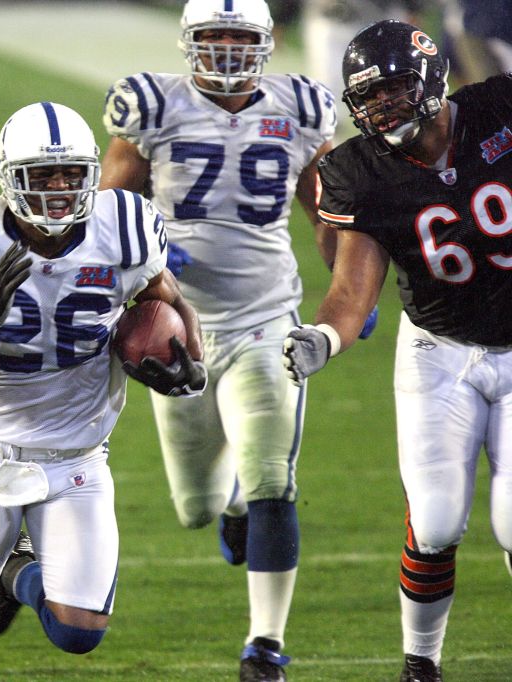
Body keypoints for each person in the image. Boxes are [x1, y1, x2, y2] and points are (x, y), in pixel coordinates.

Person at [99, 0, 360, 679]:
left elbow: (326, 208)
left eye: (238, 38)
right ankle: (234, 503)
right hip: (175, 325)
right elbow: (106, 213)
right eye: (211, 37)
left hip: (265, 314)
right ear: (188, 42)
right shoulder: (153, 105)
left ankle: (264, 645)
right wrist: (147, 261)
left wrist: (349, 289)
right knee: (195, 506)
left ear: (268, 43)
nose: (224, 51)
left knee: (274, 472)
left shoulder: (302, 107)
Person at [0, 101, 207, 681]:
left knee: (78, 633)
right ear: (8, 178)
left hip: (78, 457)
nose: (57, 188)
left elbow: (172, 303)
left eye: (71, 174)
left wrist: (191, 366)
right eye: (41, 175)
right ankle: (3, 575)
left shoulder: (123, 226)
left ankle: (16, 575)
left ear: (91, 175)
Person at [282, 20, 512, 682]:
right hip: (439, 350)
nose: (382, 107)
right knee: (437, 519)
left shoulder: (499, 108)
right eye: (369, 98)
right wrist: (323, 338)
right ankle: (421, 663)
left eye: (393, 90)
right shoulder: (360, 172)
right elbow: (353, 290)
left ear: (433, 79)